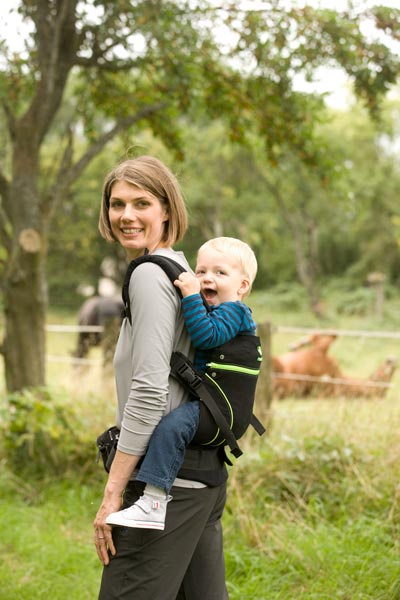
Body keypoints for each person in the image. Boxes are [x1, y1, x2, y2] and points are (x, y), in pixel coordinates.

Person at [93, 156, 229, 600]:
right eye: (117, 204)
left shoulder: (150, 274)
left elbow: (150, 391)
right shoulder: (181, 269)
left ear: (166, 209)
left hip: (164, 489)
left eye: (141, 203)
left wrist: (113, 493)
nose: (126, 216)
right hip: (201, 481)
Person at [105, 236, 258, 532]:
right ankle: (154, 499)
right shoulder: (221, 308)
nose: (206, 279)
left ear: (242, 287)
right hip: (212, 406)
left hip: (219, 412)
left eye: (220, 273)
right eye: (200, 272)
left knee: (171, 428)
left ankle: (153, 501)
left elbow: (206, 337)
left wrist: (190, 296)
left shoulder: (236, 312)